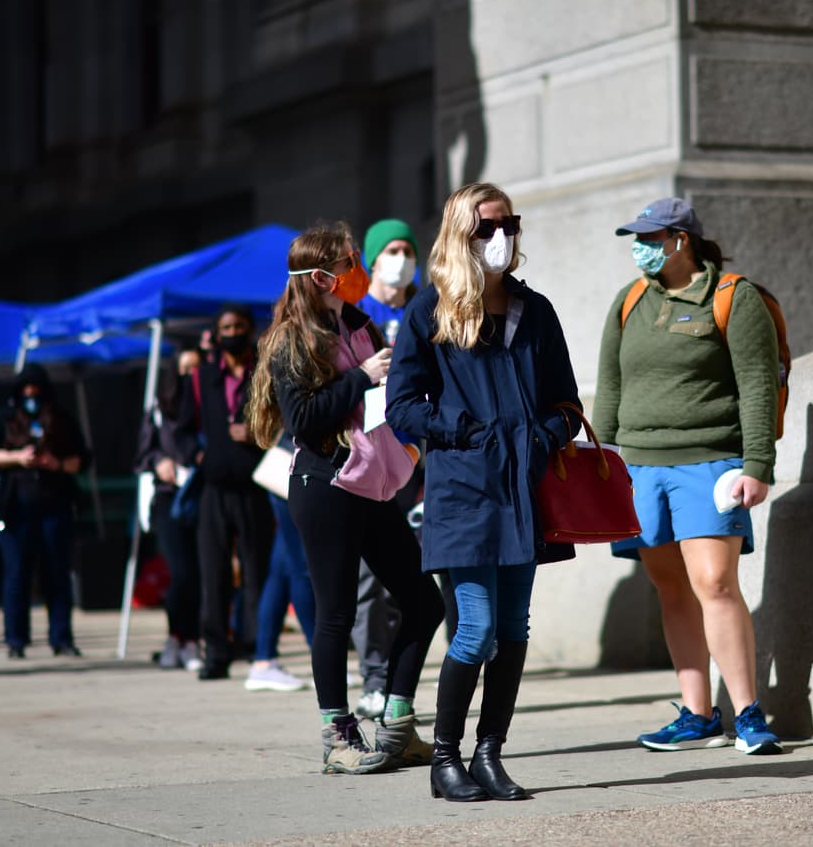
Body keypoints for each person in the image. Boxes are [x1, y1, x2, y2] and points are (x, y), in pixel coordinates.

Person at [387, 182, 582, 802]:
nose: (501, 238)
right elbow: (401, 408)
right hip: (464, 489)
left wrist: (545, 437)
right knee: (476, 628)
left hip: (523, 490)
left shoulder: (537, 312)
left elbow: (568, 403)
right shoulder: (429, 312)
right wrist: (463, 431)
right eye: (486, 228)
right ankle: (444, 759)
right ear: (459, 235)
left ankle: (489, 754)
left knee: (516, 628)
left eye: (509, 225)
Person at [248, 221, 444, 775]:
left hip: (373, 481)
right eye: (349, 261)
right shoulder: (292, 337)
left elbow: (390, 394)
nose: (359, 267)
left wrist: (407, 443)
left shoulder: (358, 321)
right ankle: (337, 735)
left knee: (424, 601)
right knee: (334, 614)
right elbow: (305, 422)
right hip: (323, 483)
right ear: (321, 277)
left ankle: (398, 725)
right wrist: (359, 375)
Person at [593, 197, 783, 756]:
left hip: (710, 461)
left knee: (714, 584)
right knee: (670, 589)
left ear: (681, 239)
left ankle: (748, 713)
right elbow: (609, 386)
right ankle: (698, 715)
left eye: (651, 238)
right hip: (640, 466)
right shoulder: (629, 301)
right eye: (637, 238)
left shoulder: (731, 297)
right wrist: (599, 464)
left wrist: (757, 466)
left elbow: (757, 385)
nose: (641, 249)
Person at [347, 217, 434, 718]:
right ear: (374, 259)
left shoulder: (426, 310)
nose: (402, 258)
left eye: (408, 249)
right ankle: (374, 679)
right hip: (371, 459)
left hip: (419, 461)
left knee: (413, 578)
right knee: (367, 582)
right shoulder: (359, 315)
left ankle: (401, 680)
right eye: (393, 250)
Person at [174, 303, 274, 680]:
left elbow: (281, 423)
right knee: (213, 573)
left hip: (255, 486)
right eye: (226, 327)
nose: (233, 332)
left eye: (240, 326)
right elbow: (181, 429)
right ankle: (215, 653)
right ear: (217, 333)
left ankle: (255, 647)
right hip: (214, 488)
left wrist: (255, 436)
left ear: (250, 330)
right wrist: (198, 455)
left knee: (256, 572)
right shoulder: (201, 378)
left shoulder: (263, 373)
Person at [0, 363, 89, 658]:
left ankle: (61, 637)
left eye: (36, 389)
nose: (31, 395)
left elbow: (82, 458)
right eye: (26, 389)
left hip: (55, 505)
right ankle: (16, 640)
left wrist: (55, 463)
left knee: (57, 573)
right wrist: (18, 457)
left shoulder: (60, 418)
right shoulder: (4, 418)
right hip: (15, 509)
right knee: (16, 573)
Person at [134, 354, 203, 671]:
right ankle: (177, 636)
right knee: (181, 571)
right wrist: (159, 463)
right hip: (168, 498)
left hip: (201, 494)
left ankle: (192, 640)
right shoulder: (161, 410)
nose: (192, 374)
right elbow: (143, 455)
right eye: (186, 368)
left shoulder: (209, 404)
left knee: (202, 572)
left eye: (197, 368)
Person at [243, 477, 316, 693]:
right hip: (291, 475)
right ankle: (321, 658)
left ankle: (264, 659)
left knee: (282, 570)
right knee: (300, 568)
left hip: (288, 475)